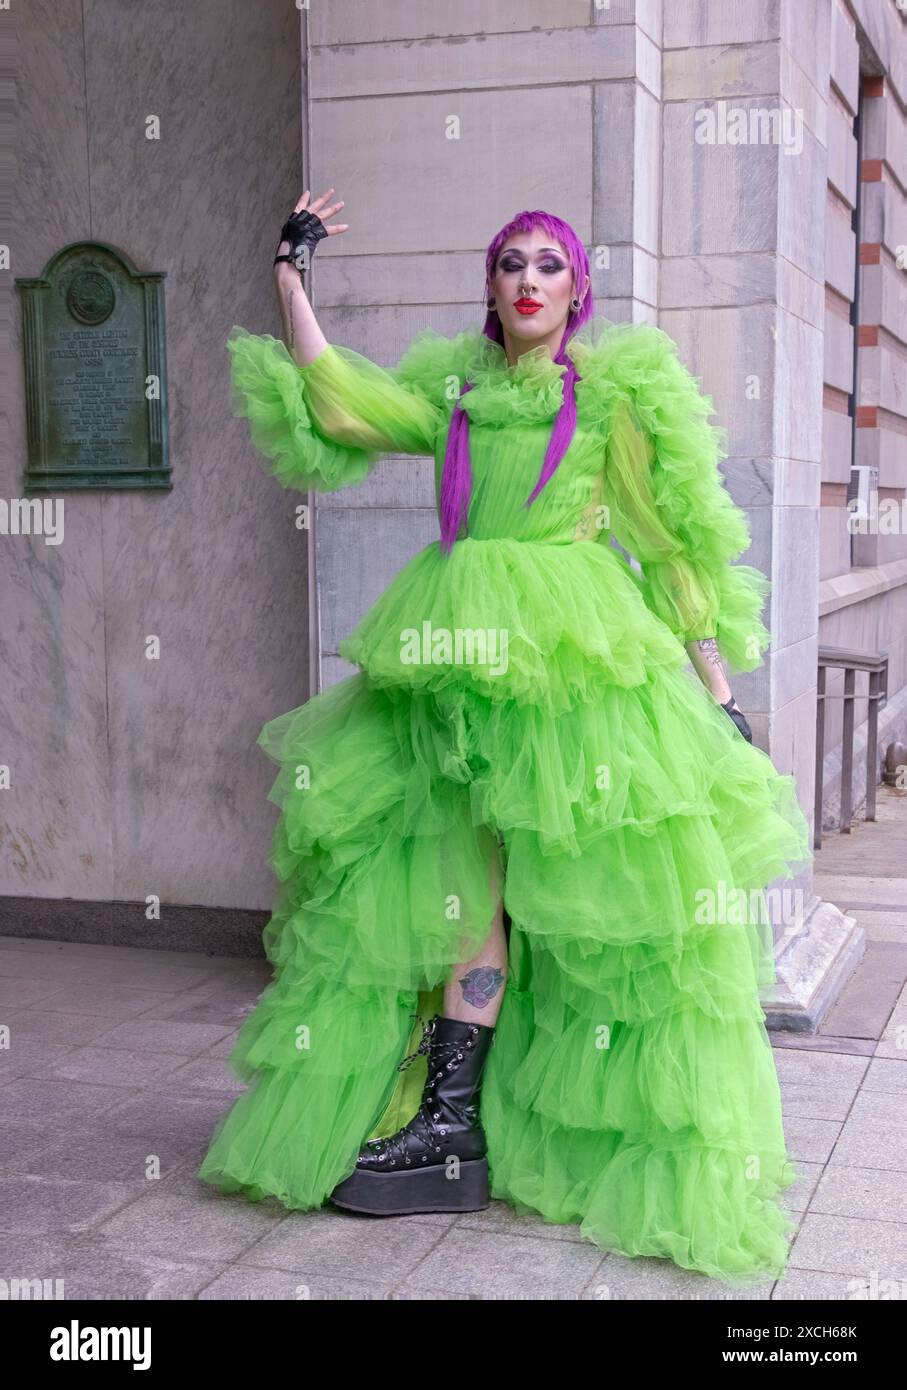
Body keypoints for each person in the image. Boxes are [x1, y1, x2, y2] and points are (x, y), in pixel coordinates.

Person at [198, 190, 813, 1287]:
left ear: (577, 291)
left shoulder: (609, 399)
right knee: (461, 893)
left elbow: (665, 541)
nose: (528, 280)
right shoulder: (457, 390)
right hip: (450, 662)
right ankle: (447, 1129)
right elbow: (345, 409)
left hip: (575, 664)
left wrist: (716, 691)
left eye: (549, 265)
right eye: (510, 264)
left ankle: (608, 1129)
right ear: (490, 288)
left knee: (600, 908)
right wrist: (292, 280)